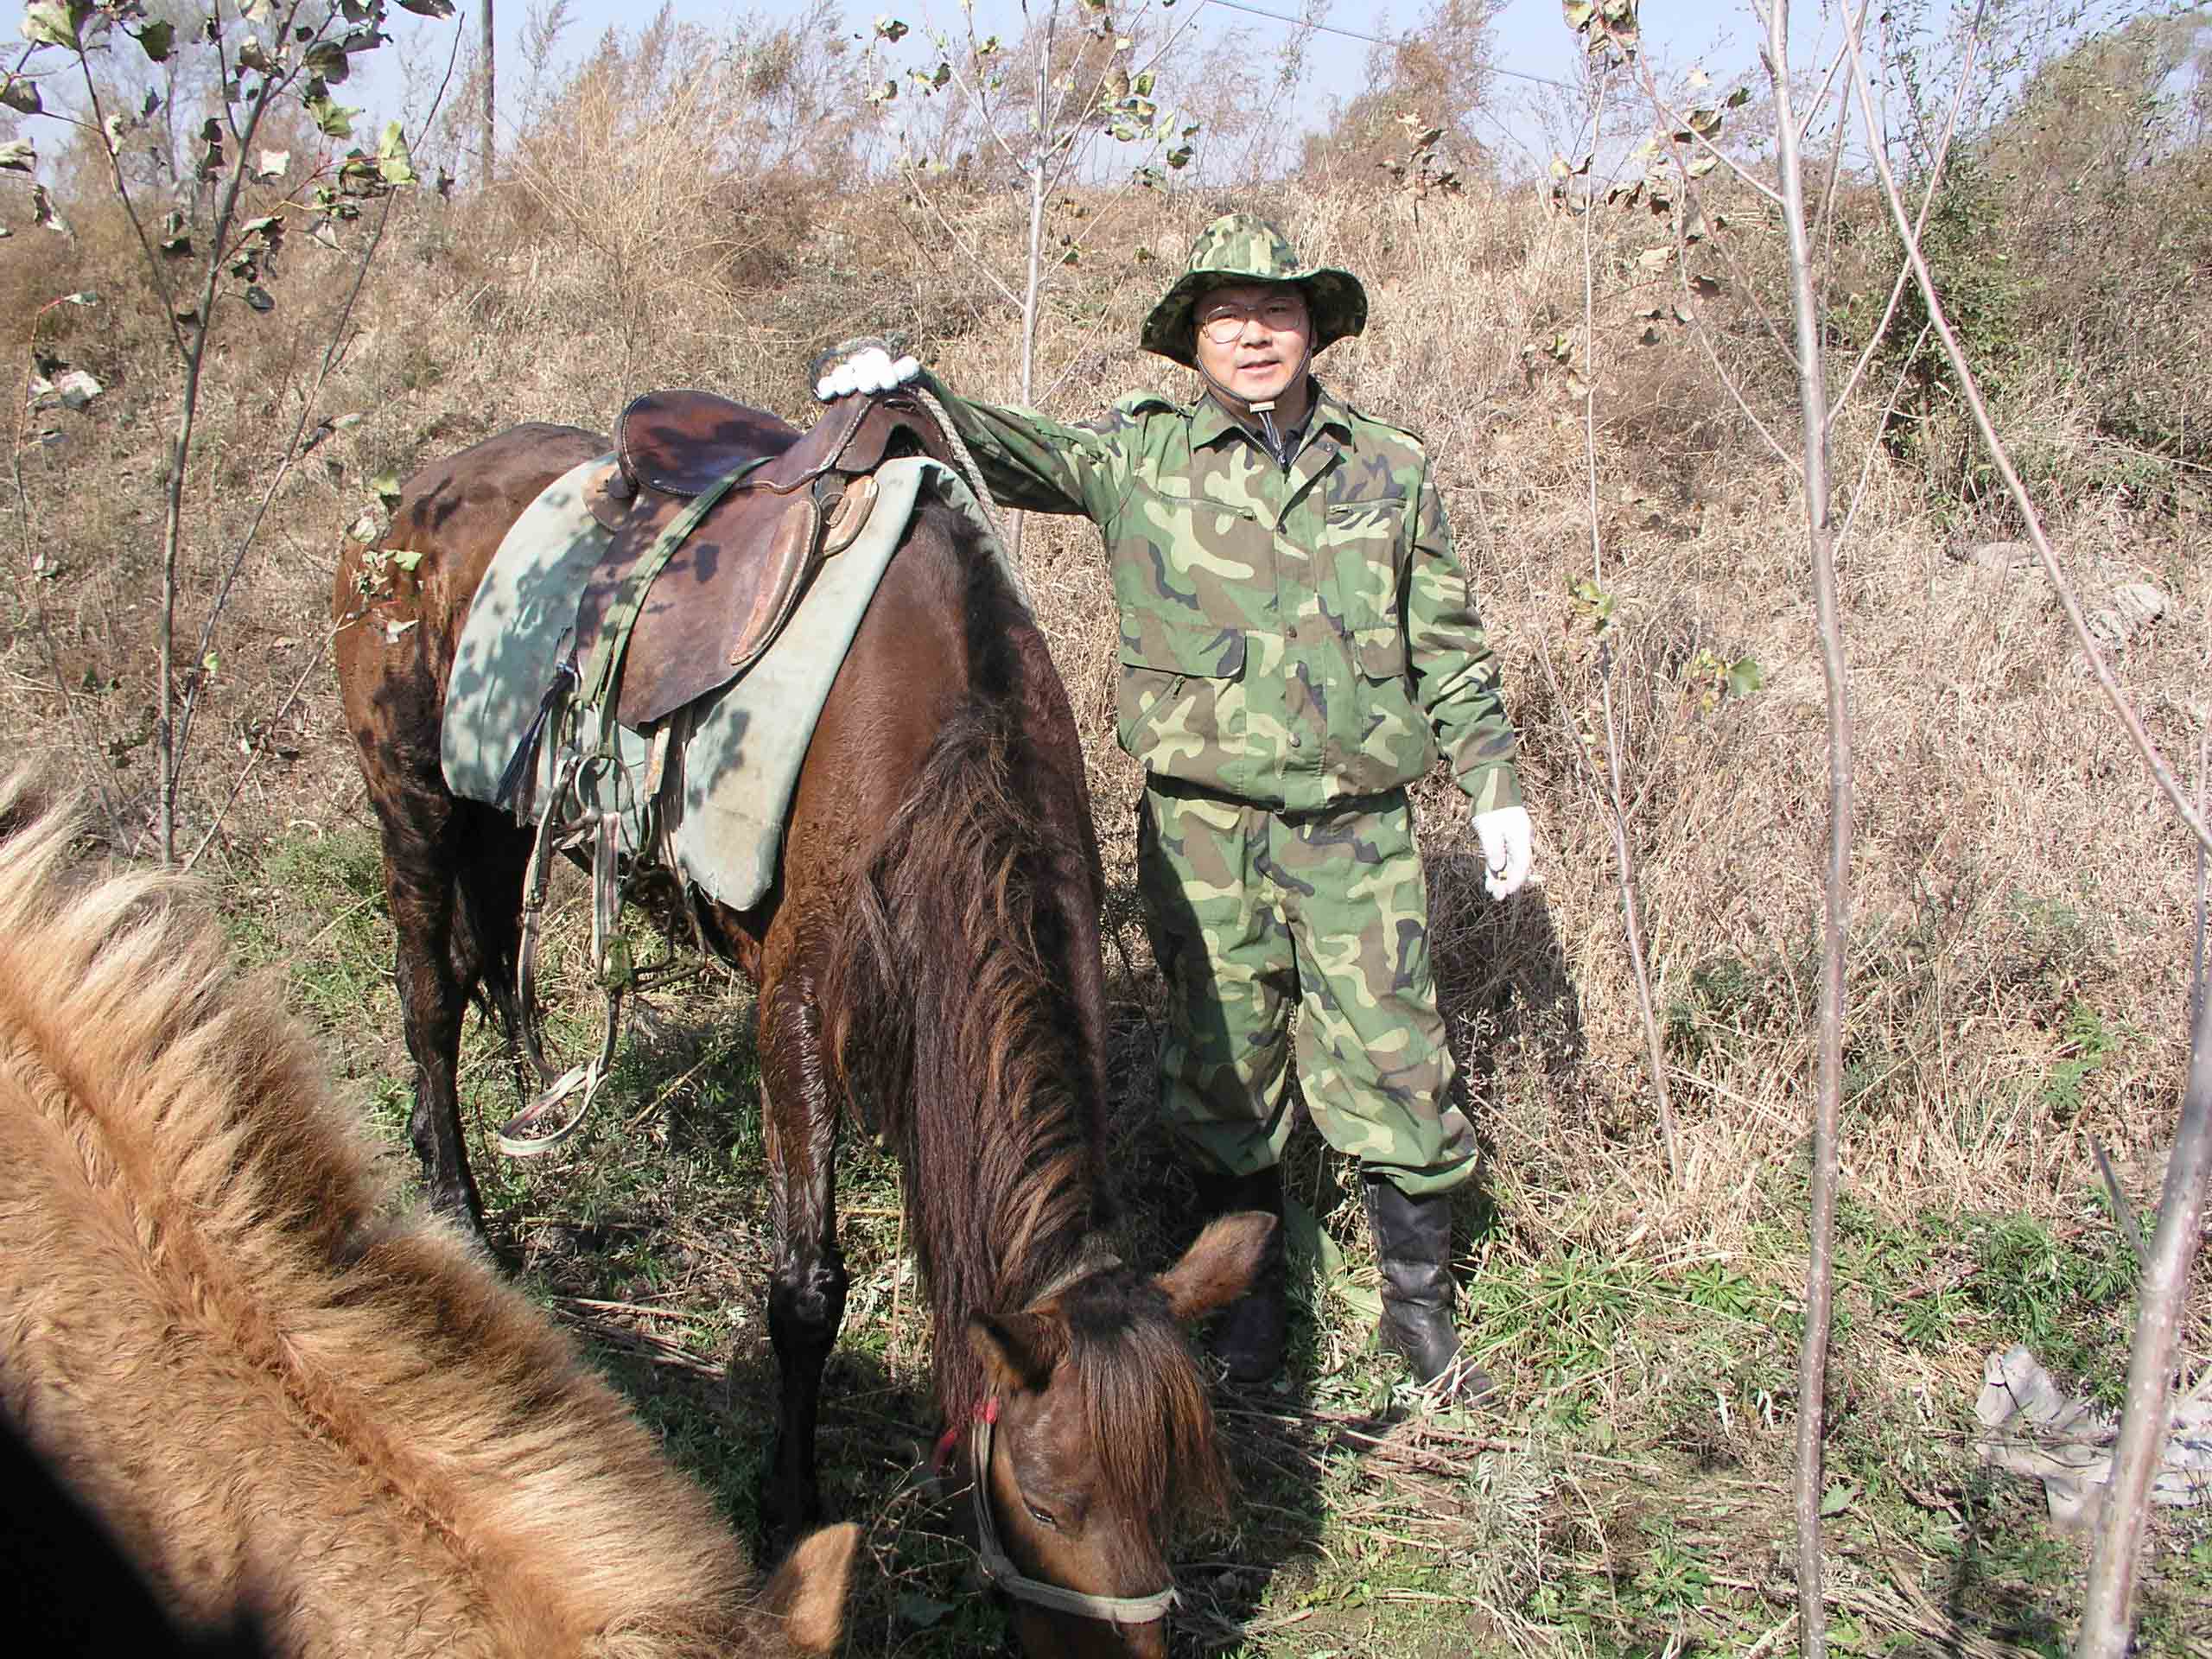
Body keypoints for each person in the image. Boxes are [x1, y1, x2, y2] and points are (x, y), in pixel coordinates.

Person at [811, 214, 1534, 1399]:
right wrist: (913, 393)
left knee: (1397, 1056)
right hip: (1202, 830)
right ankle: (1247, 1299)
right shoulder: (1141, 458)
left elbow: (1448, 646)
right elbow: (1014, 450)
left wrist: (1494, 786)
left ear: (1316, 328)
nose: (1255, 335)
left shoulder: (1390, 467)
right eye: (1227, 316)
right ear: (1192, 340)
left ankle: (1418, 1312)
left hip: (1357, 827)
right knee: (1222, 1066)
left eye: (1278, 312)